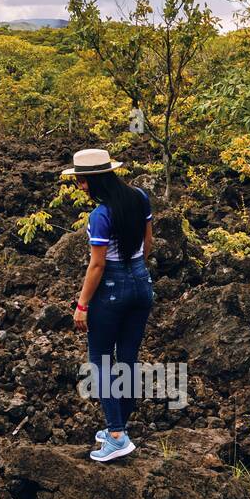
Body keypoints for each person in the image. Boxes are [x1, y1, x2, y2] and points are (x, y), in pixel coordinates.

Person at [61, 148, 154, 462]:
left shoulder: (100, 216)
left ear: (96, 180)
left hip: (112, 288)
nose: (81, 188)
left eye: (82, 182)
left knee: (99, 361)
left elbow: (97, 266)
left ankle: (115, 435)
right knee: (127, 360)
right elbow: (148, 243)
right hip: (142, 283)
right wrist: (135, 273)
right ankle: (121, 428)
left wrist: (82, 305)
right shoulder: (140, 197)